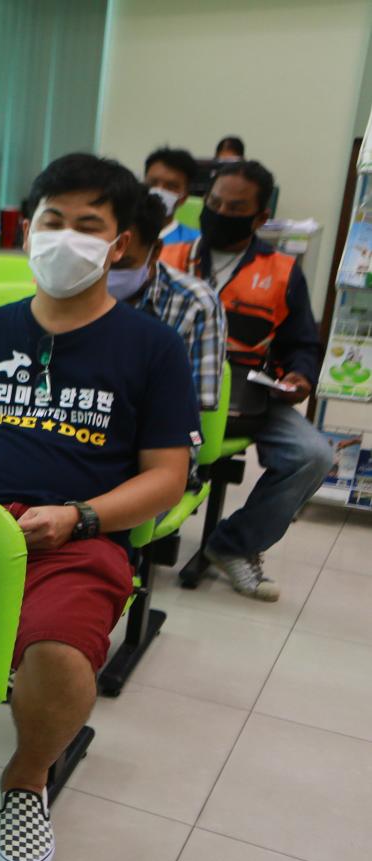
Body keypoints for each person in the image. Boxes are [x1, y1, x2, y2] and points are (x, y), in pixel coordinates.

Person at [0, 154, 197, 861]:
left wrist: (79, 517)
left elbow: (168, 475)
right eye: (52, 220)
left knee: (59, 654)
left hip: (79, 535)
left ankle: (26, 779)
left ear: (122, 245)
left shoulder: (153, 348)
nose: (64, 238)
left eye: (88, 225)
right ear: (29, 229)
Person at [160, 160, 334, 601]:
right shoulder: (168, 257)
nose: (219, 211)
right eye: (214, 203)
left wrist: (300, 375)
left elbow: (301, 342)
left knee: (313, 455)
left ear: (259, 218)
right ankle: (140, 538)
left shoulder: (282, 271)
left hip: (248, 391)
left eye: (234, 207)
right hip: (169, 387)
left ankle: (232, 544)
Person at [110, 189, 226, 411]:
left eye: (121, 265)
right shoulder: (70, 286)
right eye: (98, 264)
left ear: (155, 252)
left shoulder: (194, 303)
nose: (106, 275)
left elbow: (192, 406)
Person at [142, 146, 200, 247]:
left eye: (171, 186)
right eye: (152, 183)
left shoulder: (195, 242)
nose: (158, 191)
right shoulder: (122, 233)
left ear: (184, 197)